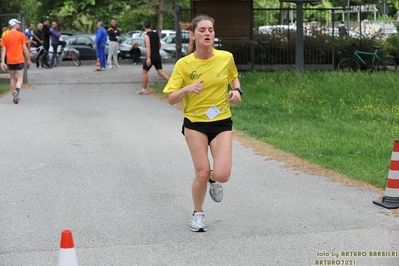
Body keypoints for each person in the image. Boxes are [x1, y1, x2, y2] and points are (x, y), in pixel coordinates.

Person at [163, 14, 242, 232]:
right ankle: (198, 213)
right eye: (202, 30)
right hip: (195, 123)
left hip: (221, 121)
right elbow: (171, 98)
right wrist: (187, 89)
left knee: (222, 173)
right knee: (202, 171)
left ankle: (213, 181)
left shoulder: (225, 57)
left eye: (210, 30)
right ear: (193, 35)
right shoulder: (184, 64)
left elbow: (233, 77)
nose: (207, 33)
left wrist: (236, 91)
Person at [1, 19, 31, 103]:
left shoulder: (5, 36)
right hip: (19, 59)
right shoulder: (21, 35)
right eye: (18, 23)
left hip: (10, 60)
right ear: (14, 24)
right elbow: (24, 48)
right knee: (20, 77)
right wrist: (28, 59)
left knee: (12, 77)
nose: (19, 25)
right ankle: (17, 91)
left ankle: (15, 96)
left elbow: (3, 50)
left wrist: (2, 62)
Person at [137, 20, 169, 95]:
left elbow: (148, 46)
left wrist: (148, 58)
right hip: (157, 55)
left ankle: (144, 89)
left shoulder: (146, 35)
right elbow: (159, 44)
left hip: (151, 56)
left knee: (144, 72)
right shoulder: (156, 34)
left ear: (144, 27)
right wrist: (156, 50)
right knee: (160, 72)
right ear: (151, 26)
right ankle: (173, 85)